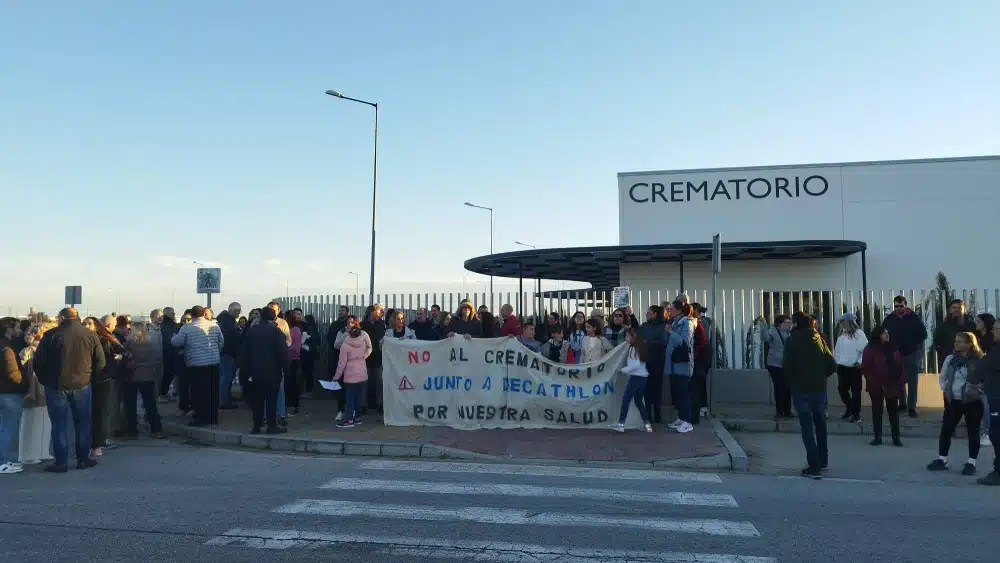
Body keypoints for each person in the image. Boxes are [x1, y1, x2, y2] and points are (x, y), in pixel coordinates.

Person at [34, 307, 105, 472]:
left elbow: (39, 362)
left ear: (61, 318)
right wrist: (89, 377)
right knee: (82, 424)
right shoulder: (90, 335)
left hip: (56, 385)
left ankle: (61, 462)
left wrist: (45, 380)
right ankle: (82, 459)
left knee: (59, 425)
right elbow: (100, 362)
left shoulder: (51, 335)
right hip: (82, 384)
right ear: (77, 317)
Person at [783, 311, 836, 479]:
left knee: (807, 427)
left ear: (797, 324)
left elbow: (787, 367)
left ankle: (814, 467)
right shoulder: (818, 338)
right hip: (819, 389)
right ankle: (823, 460)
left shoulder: (792, 340)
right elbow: (831, 364)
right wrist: (820, 376)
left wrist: (792, 382)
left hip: (801, 390)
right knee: (820, 424)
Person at [928, 332, 986, 476]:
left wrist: (977, 391)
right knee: (946, 429)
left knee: (973, 432)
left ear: (969, 344)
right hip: (953, 400)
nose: (956, 344)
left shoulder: (979, 360)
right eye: (955, 341)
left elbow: (985, 380)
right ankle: (942, 459)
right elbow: (942, 377)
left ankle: (971, 462)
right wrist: (946, 389)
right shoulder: (950, 359)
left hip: (972, 400)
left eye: (959, 342)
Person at [171, 305, 224, 427]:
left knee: (198, 393)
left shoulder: (187, 328)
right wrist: (215, 353)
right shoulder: (214, 326)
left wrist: (173, 336)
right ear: (203, 314)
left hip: (196, 364)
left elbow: (176, 342)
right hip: (213, 363)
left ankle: (200, 418)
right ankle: (213, 418)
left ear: (192, 315)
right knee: (212, 392)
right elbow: (221, 342)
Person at [240, 307, 288, 435]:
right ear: (273, 317)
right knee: (271, 400)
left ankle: (256, 426)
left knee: (257, 400)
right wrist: (285, 369)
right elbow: (283, 353)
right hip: (273, 372)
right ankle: (271, 426)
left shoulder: (252, 331)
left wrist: (246, 370)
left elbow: (245, 352)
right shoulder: (276, 332)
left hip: (255, 372)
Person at [880, 295, 928, 418]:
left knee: (912, 382)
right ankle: (902, 404)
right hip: (895, 354)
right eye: (896, 306)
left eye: (901, 306)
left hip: (911, 353)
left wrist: (911, 343)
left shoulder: (913, 318)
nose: (898, 308)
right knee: (898, 381)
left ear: (905, 306)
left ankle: (912, 408)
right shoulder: (889, 319)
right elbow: (883, 333)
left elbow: (923, 334)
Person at [18, 320, 56, 466]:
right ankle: (28, 454)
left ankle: (42, 451)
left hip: (45, 388)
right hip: (33, 389)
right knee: (31, 422)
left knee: (45, 422)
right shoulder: (27, 351)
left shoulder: (46, 350)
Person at [89, 316, 125, 457]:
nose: (86, 326)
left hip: (104, 379)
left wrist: (116, 359)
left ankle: (99, 442)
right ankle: (94, 441)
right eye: (84, 323)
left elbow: (123, 352)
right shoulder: (85, 338)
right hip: (89, 378)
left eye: (89, 323)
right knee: (93, 412)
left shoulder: (107, 338)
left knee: (102, 411)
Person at [862, 326, 905, 447]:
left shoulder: (893, 348)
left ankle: (896, 438)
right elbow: (867, 368)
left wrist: (900, 381)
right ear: (877, 335)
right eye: (883, 333)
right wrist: (876, 383)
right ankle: (878, 437)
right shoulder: (870, 349)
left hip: (892, 384)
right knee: (877, 411)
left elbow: (900, 365)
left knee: (893, 412)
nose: (887, 335)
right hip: (876, 386)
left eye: (887, 333)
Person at [969, 319, 1000, 485]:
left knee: (996, 434)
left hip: (997, 398)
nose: (993, 332)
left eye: (996, 329)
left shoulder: (995, 353)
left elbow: (979, 370)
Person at [123, 322, 164, 438]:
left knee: (131, 406)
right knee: (150, 404)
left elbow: (124, 358)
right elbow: (157, 360)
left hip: (131, 377)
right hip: (148, 376)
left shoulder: (128, 344)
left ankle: (132, 431)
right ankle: (156, 429)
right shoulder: (152, 344)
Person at [0, 317, 30, 474]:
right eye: (17, 328)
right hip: (9, 393)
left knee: (4, 428)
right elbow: (13, 373)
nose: (19, 331)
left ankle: (6, 460)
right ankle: (3, 461)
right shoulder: (6, 349)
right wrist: (24, 386)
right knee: (8, 429)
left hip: (5, 392)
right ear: (8, 329)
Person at [613, 327, 653, 433]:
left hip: (635, 377)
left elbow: (635, 364)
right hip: (643, 377)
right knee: (639, 401)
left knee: (626, 399)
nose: (626, 338)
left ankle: (621, 424)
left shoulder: (633, 348)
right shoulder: (641, 347)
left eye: (627, 336)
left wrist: (622, 370)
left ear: (633, 336)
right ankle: (647, 424)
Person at [664, 300, 695, 433]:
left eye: (672, 309)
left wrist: (671, 332)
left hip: (682, 362)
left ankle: (687, 421)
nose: (669, 311)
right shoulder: (676, 322)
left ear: (680, 310)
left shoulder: (687, 322)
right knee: (677, 391)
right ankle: (681, 418)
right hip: (674, 362)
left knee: (683, 392)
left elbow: (685, 341)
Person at [334, 323, 373, 428]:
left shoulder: (345, 345)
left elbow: (341, 364)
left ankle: (349, 419)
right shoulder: (363, 342)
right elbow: (368, 349)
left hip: (350, 374)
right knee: (358, 397)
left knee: (350, 398)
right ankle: (358, 418)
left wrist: (336, 377)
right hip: (362, 372)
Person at [833, 313, 868, 423]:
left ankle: (856, 414)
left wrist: (860, 362)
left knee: (856, 392)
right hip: (842, 367)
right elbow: (838, 350)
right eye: (840, 322)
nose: (841, 324)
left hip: (854, 368)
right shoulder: (841, 335)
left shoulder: (859, 334)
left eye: (843, 321)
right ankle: (850, 409)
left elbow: (865, 350)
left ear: (849, 322)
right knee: (842, 389)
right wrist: (836, 362)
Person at [638, 305, 668, 425]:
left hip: (657, 361)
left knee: (656, 388)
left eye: (649, 313)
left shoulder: (662, 326)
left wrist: (647, 343)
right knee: (646, 388)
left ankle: (657, 414)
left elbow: (663, 342)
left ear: (655, 314)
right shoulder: (644, 326)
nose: (647, 315)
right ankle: (647, 414)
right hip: (644, 361)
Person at [762, 315, 793, 420]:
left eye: (790, 323)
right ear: (780, 323)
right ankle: (779, 411)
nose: (789, 324)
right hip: (775, 365)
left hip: (787, 365)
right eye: (787, 323)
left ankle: (788, 410)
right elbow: (766, 338)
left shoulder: (790, 332)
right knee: (779, 387)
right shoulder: (773, 331)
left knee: (787, 388)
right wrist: (764, 329)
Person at [933, 299, 977, 369]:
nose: (956, 310)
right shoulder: (943, 326)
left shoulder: (972, 325)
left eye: (959, 308)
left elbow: (976, 341)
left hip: (969, 360)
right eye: (954, 308)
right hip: (949, 359)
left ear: (964, 310)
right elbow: (936, 342)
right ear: (950, 310)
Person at [360, 304, 386, 414]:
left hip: (378, 358)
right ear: (373, 312)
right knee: (363, 382)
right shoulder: (362, 325)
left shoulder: (381, 325)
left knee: (380, 381)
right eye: (379, 312)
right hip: (365, 358)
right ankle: (362, 405)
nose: (381, 314)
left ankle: (380, 404)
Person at [216, 302, 242, 409]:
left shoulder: (224, 320)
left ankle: (225, 398)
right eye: (238, 311)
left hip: (226, 352)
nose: (239, 314)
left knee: (226, 377)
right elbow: (232, 337)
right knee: (226, 377)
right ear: (234, 311)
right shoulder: (229, 322)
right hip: (228, 353)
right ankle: (223, 401)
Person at [158, 307, 180, 403]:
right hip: (172, 353)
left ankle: (162, 394)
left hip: (162, 353)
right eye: (173, 313)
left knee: (163, 375)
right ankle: (163, 393)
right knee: (169, 375)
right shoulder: (175, 326)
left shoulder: (159, 326)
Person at [300, 314, 320, 398]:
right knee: (309, 373)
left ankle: (308, 391)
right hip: (311, 354)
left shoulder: (308, 329)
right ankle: (309, 391)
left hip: (306, 353)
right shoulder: (315, 329)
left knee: (306, 373)